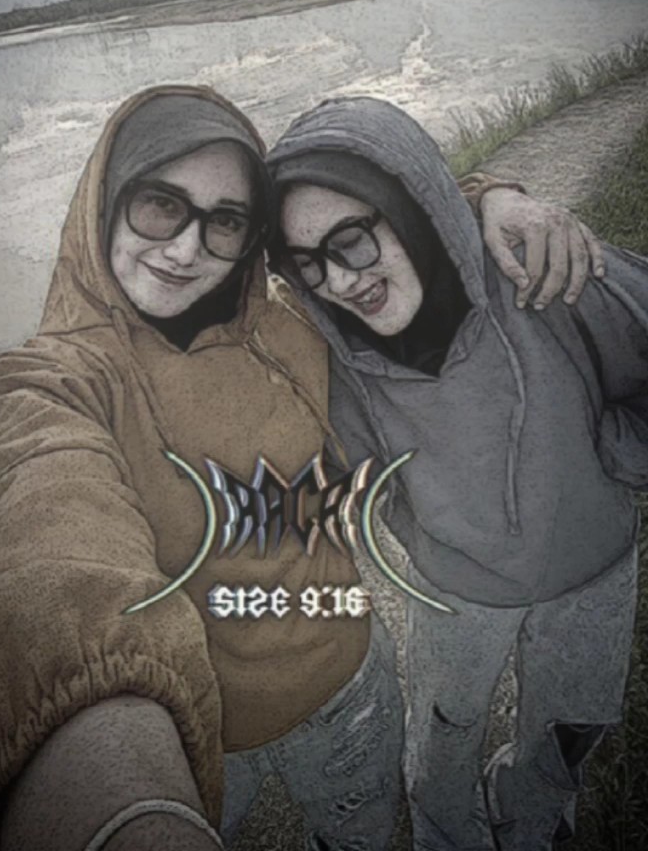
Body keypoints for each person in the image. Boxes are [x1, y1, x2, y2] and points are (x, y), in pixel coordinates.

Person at [0, 84, 601, 851]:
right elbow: (48, 545)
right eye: (160, 205)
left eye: (224, 221)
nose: (186, 249)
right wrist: (120, 802)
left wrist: (490, 199)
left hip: (348, 684)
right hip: (203, 729)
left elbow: (397, 234)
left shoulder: (292, 320)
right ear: (104, 200)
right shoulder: (52, 383)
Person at [267, 93, 648, 851]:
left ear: (412, 209)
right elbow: (340, 478)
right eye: (311, 264)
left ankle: (533, 820)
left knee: (571, 729)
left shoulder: (541, 269)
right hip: (454, 596)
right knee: (444, 736)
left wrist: (614, 453)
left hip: (595, 574)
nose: (340, 281)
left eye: (352, 240)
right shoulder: (334, 360)